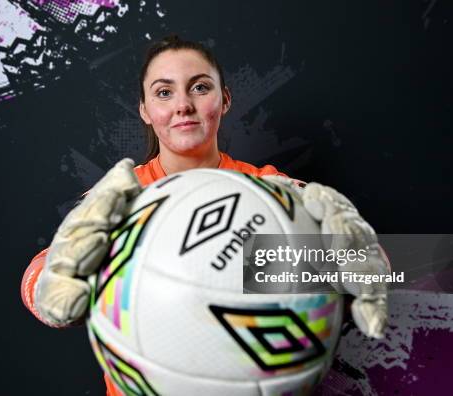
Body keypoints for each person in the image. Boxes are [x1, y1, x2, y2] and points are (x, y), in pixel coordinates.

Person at [21, 35, 389, 396]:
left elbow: (380, 269)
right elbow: (39, 282)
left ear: (224, 99)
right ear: (145, 110)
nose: (183, 104)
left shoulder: (272, 192)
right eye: (164, 92)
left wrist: (351, 252)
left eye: (199, 87)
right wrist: (57, 283)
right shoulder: (119, 197)